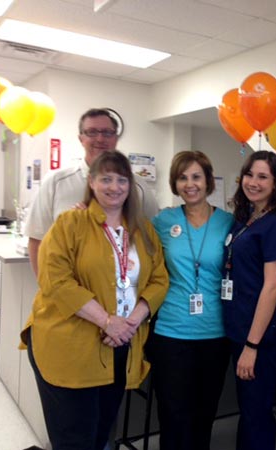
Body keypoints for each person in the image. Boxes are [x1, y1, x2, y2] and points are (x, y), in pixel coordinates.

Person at [20, 151, 169, 450]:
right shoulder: (70, 223)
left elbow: (159, 279)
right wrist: (107, 321)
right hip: (70, 346)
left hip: (121, 346)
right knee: (75, 439)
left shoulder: (143, 230)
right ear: (92, 182)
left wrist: (130, 323)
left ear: (131, 186)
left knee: (102, 434)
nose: (114, 187)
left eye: (121, 180)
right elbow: (56, 280)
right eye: (106, 179)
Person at [149, 151, 234, 450]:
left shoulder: (228, 223)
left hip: (215, 333)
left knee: (204, 415)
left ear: (208, 181)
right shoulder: (163, 221)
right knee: (173, 416)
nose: (190, 184)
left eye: (196, 176)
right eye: (182, 177)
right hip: (171, 332)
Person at [222, 150, 276, 450]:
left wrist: (252, 346)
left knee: (257, 414)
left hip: (260, 337)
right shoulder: (247, 218)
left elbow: (272, 287)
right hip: (239, 328)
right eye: (250, 175)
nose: (253, 182)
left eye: (263, 176)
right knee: (248, 410)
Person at [25, 107, 159, 275]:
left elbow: (153, 238)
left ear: (116, 138)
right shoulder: (55, 182)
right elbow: (37, 240)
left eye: (107, 133)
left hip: (125, 292)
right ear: (81, 138)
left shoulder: (138, 187)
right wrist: (47, 288)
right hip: (67, 291)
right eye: (92, 132)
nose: (100, 138)